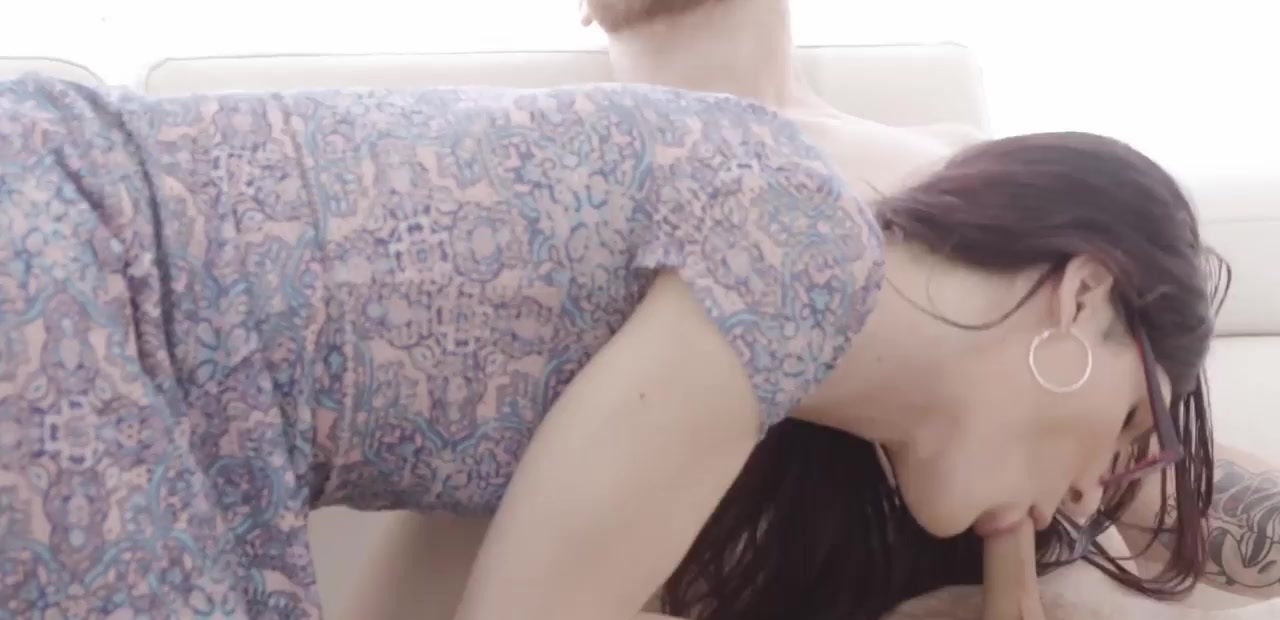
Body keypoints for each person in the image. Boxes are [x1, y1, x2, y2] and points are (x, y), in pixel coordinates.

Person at [0, 66, 1220, 620]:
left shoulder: (744, 372)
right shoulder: (802, 247)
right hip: (71, 266)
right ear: (1080, 296)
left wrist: (1011, 550)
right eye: (1126, 427)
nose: (1090, 495)